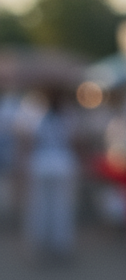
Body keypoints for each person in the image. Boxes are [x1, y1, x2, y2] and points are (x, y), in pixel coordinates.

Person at [22, 90, 78, 259]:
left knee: (40, 206)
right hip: (62, 163)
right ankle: (60, 243)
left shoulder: (37, 116)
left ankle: (40, 241)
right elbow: (75, 141)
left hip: (41, 163)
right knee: (60, 207)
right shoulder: (67, 117)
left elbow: (28, 140)